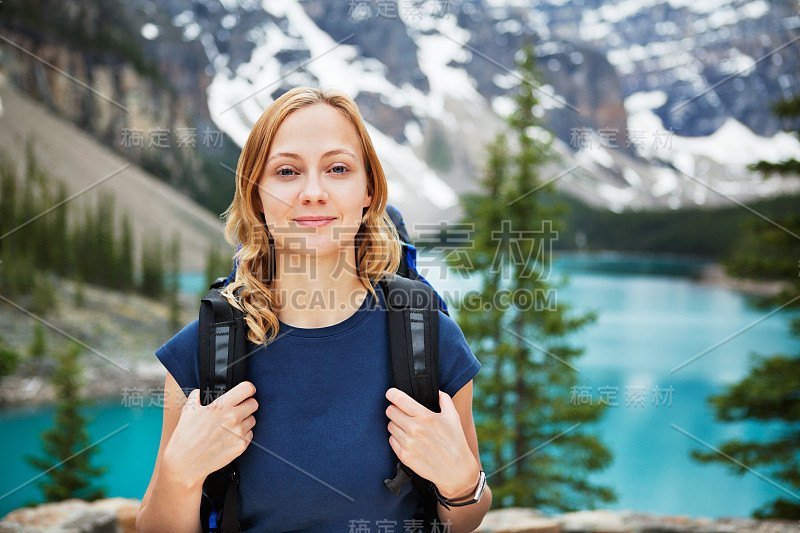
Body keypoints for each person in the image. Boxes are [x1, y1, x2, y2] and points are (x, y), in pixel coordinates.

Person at [135, 86, 492, 533]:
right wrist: (180, 473)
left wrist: (460, 479)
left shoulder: (428, 337)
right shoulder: (203, 349)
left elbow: (466, 517)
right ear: (256, 196)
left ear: (368, 191)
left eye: (338, 168)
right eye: (286, 171)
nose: (313, 192)